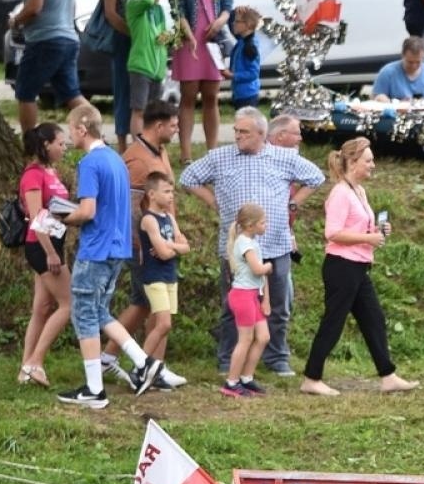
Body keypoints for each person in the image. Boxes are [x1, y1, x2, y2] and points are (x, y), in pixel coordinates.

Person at [180, 107, 323, 378]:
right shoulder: (221, 157)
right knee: (233, 305)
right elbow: (188, 177)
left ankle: (277, 358)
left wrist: (293, 203)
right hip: (236, 250)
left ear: (261, 133)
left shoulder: (283, 157)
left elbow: (316, 177)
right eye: (235, 131)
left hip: (275, 244)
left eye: (243, 132)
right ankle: (228, 358)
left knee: (278, 306)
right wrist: (214, 202)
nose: (237, 136)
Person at [55, 105, 164, 408]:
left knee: (84, 314)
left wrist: (63, 218)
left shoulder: (90, 163)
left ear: (81, 129)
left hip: (97, 248)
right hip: (118, 247)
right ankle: (144, 362)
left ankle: (94, 389)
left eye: (70, 128)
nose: (69, 134)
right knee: (100, 310)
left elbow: (88, 210)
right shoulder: (116, 159)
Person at [301, 138, 420, 398]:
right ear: (353, 163)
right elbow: (332, 232)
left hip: (359, 266)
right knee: (333, 322)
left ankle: (388, 376)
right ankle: (312, 377)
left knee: (373, 319)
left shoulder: (359, 191)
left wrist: (376, 230)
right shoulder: (340, 193)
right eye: (368, 161)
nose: (373, 165)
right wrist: (368, 239)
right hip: (342, 266)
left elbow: (358, 226)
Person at [103, 100, 184, 389]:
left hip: (160, 241)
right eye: (173, 125)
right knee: (153, 306)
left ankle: (111, 356)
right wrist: (148, 242)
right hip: (143, 246)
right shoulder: (137, 160)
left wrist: (174, 232)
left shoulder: (159, 152)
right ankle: (151, 368)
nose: (177, 130)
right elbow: (133, 207)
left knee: (143, 304)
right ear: (158, 125)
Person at [9, 0, 90, 136]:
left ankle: (30, 143)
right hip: (69, 39)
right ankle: (96, 134)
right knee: (72, 94)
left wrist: (16, 20)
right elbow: (71, 9)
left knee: (25, 92)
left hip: (45, 41)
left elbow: (35, 7)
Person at [169, 0, 233, 163]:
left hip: (213, 40)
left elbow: (228, 4)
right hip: (190, 40)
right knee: (188, 96)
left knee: (211, 96)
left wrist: (220, 21)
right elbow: (178, 11)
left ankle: (212, 153)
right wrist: (188, 36)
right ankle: (185, 154)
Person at [16, 123, 72, 387]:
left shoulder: (51, 172)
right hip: (41, 245)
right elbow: (37, 218)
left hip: (55, 242)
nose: (64, 147)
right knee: (69, 304)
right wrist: (51, 253)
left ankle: (25, 368)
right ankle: (35, 362)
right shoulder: (32, 175)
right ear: (46, 145)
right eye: (60, 143)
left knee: (41, 308)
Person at [136, 173, 191, 375]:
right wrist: (174, 247)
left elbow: (186, 247)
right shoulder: (149, 220)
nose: (171, 196)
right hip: (154, 277)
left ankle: (157, 368)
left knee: (162, 326)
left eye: (172, 192)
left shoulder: (169, 218)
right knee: (164, 323)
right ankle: (140, 366)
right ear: (152, 194)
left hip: (170, 276)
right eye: (166, 192)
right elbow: (163, 253)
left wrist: (171, 246)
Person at [103, 0, 146, 149]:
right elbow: (111, 12)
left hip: (144, 41)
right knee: (123, 89)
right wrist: (132, 33)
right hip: (124, 38)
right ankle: (122, 143)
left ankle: (141, 141)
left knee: (142, 92)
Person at [222, 203, 271, 397]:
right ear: (251, 226)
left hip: (253, 295)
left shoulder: (253, 242)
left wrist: (266, 299)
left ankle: (246, 378)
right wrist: (268, 266)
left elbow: (260, 277)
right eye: (263, 222)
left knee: (263, 337)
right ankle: (231, 382)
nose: (265, 225)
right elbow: (258, 270)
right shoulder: (244, 243)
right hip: (242, 296)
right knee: (246, 339)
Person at [123, 0, 171, 140]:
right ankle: (138, 145)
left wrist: (168, 37)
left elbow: (161, 33)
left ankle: (151, 141)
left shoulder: (159, 10)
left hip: (156, 69)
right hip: (141, 66)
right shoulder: (133, 5)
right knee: (139, 109)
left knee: (154, 110)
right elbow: (147, 1)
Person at [371, 36, 424, 102]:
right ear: (403, 55)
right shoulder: (387, 72)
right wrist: (382, 99)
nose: (414, 66)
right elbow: (376, 97)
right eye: (410, 62)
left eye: (418, 62)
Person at [228, 7, 263, 109]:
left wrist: (233, 75)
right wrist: (234, 12)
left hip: (248, 94)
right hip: (239, 92)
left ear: (248, 25)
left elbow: (253, 73)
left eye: (237, 21)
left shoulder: (250, 47)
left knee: (246, 122)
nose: (233, 23)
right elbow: (230, 24)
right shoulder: (242, 40)